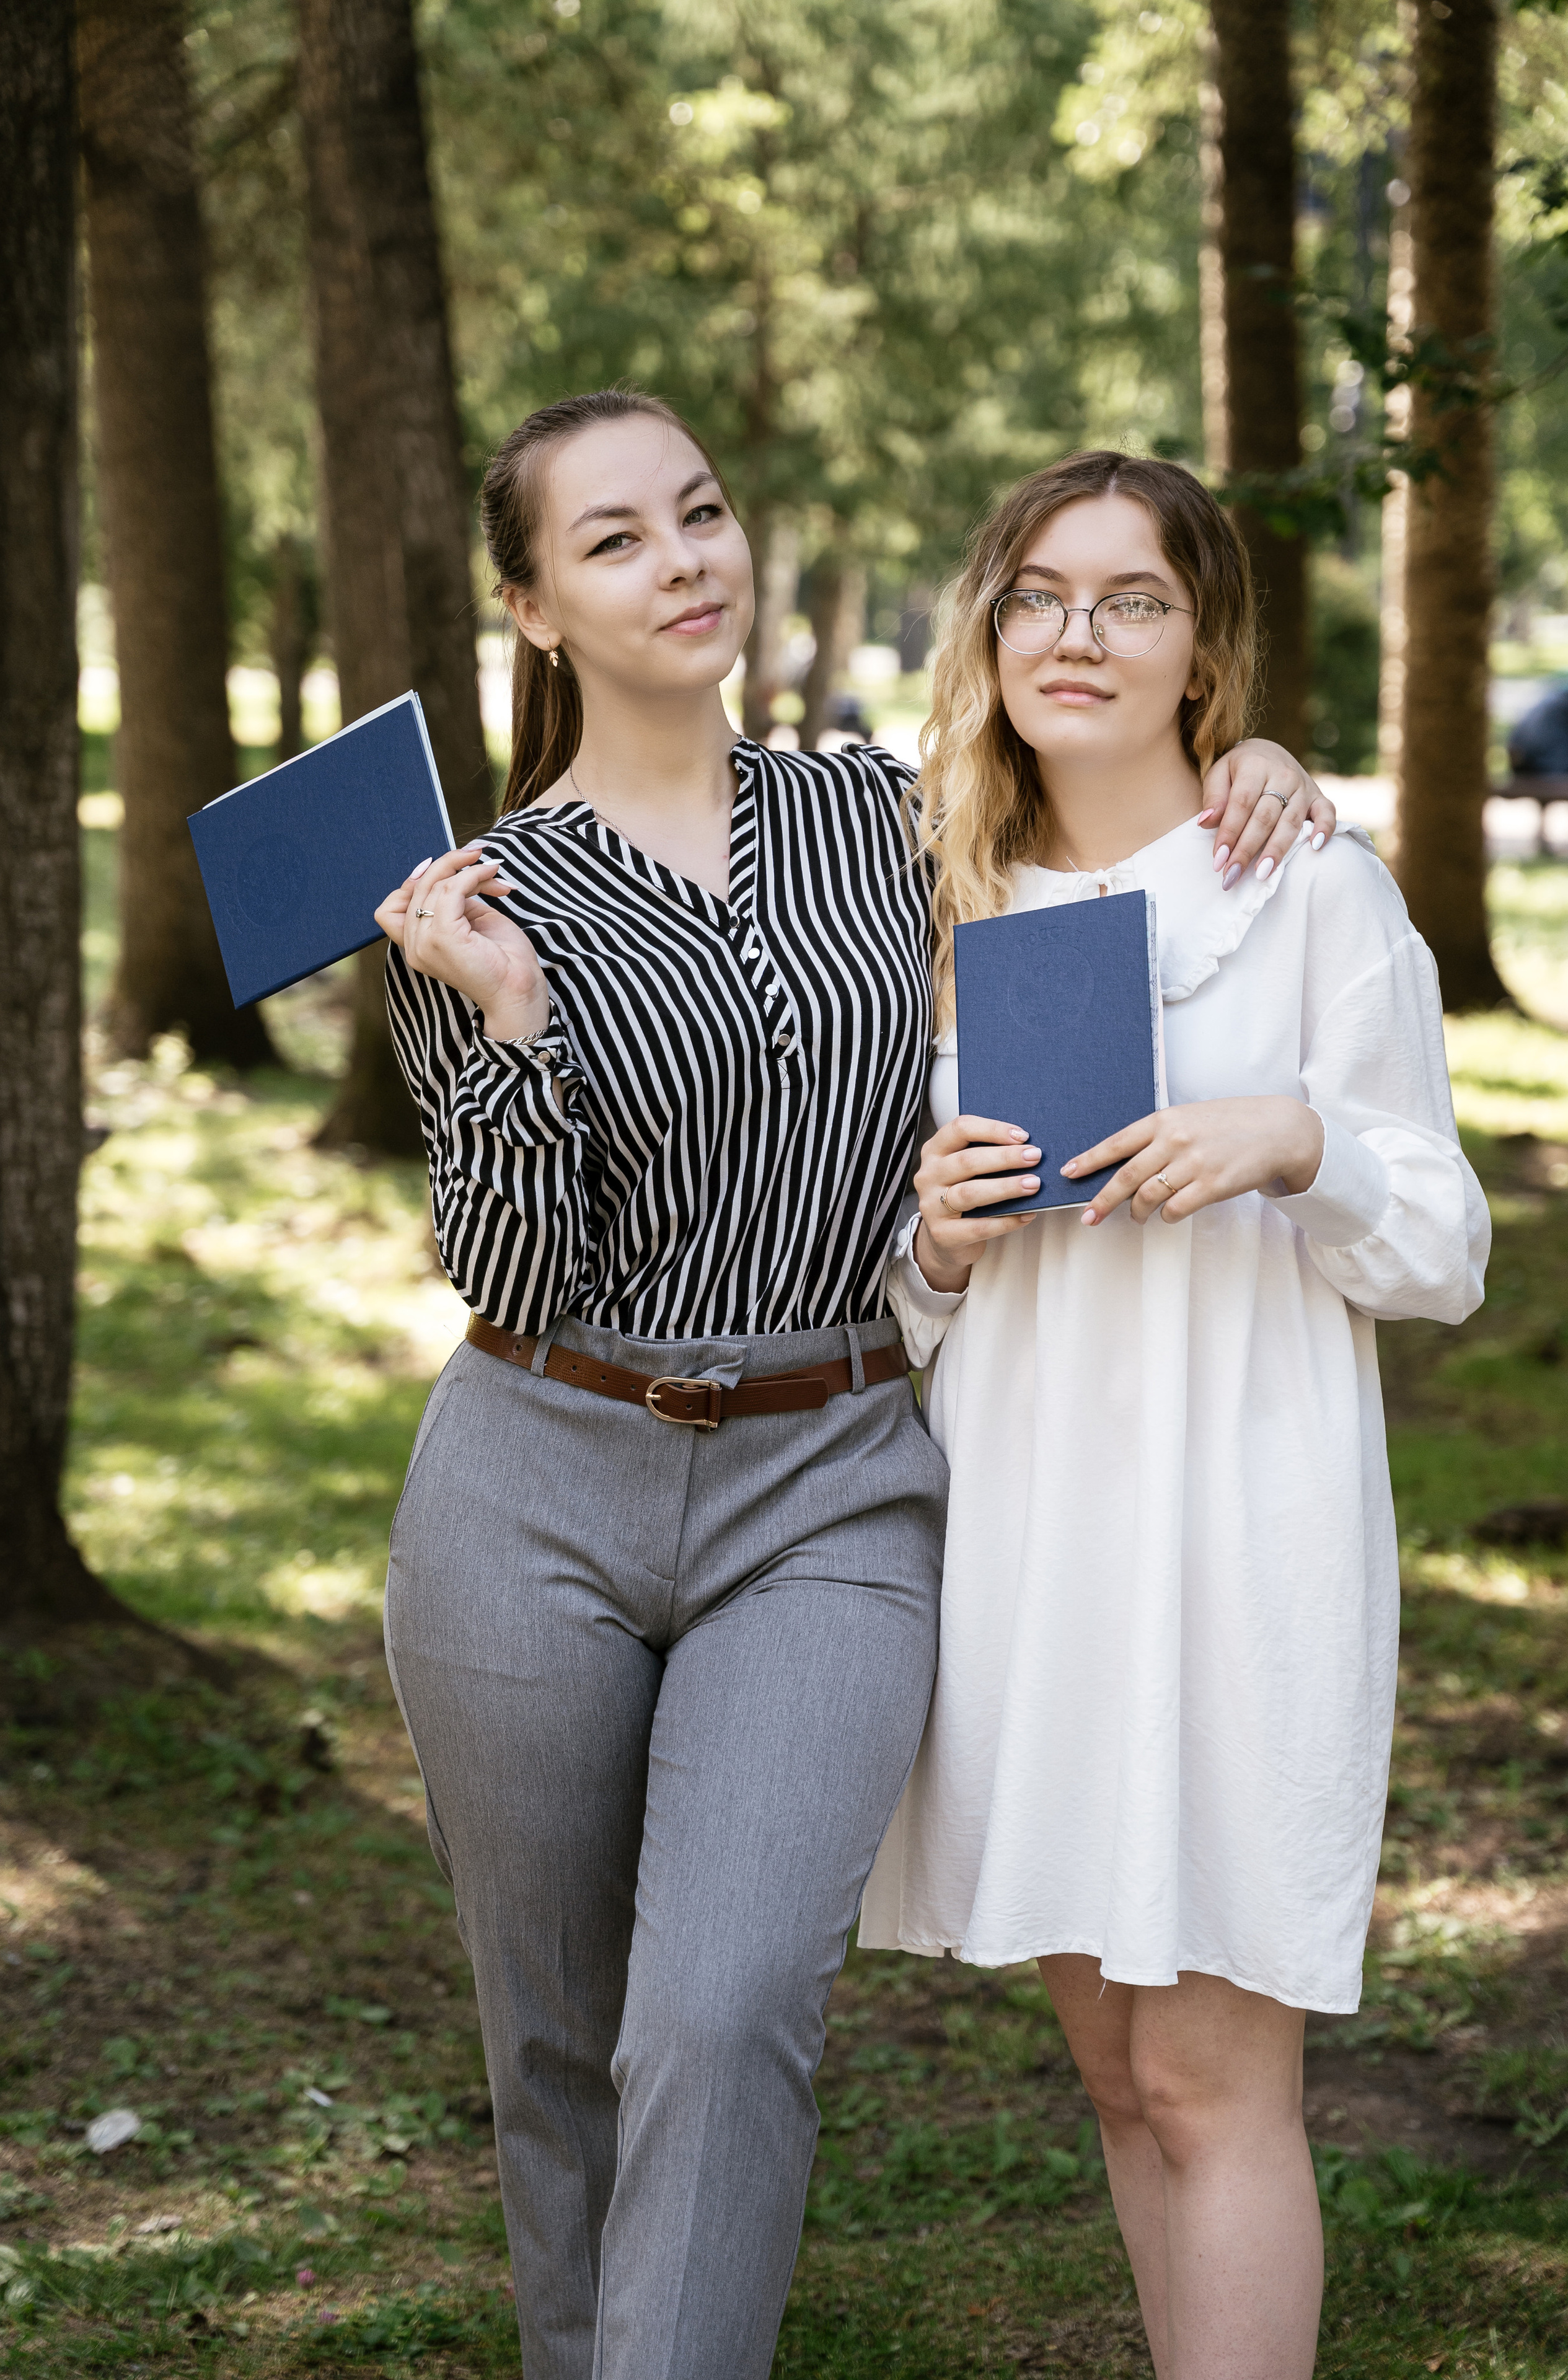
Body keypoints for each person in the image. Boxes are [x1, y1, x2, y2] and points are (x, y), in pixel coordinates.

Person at [371, 390, 1334, 2380]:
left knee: (723, 2010)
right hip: (534, 1472)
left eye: (702, 514)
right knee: (554, 2040)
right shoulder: (466, 908)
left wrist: (1252, 758)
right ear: (533, 606)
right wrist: (517, 1020)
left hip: (828, 1475)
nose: (685, 560)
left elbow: (1093, 798)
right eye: (618, 540)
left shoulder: (885, 819)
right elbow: (510, 1259)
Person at [864, 450, 1490, 2380]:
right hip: (1032, 1534)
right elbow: (890, 1309)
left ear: (1204, 643)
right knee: (1127, 2079)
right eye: (1041, 594)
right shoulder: (926, 898)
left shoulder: (1300, 882)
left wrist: (1295, 1137)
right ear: (990, 626)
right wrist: (941, 1244)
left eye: (1132, 599)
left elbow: (1446, 1245)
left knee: (1218, 2084)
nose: (1079, 636)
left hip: (1241, 1524)